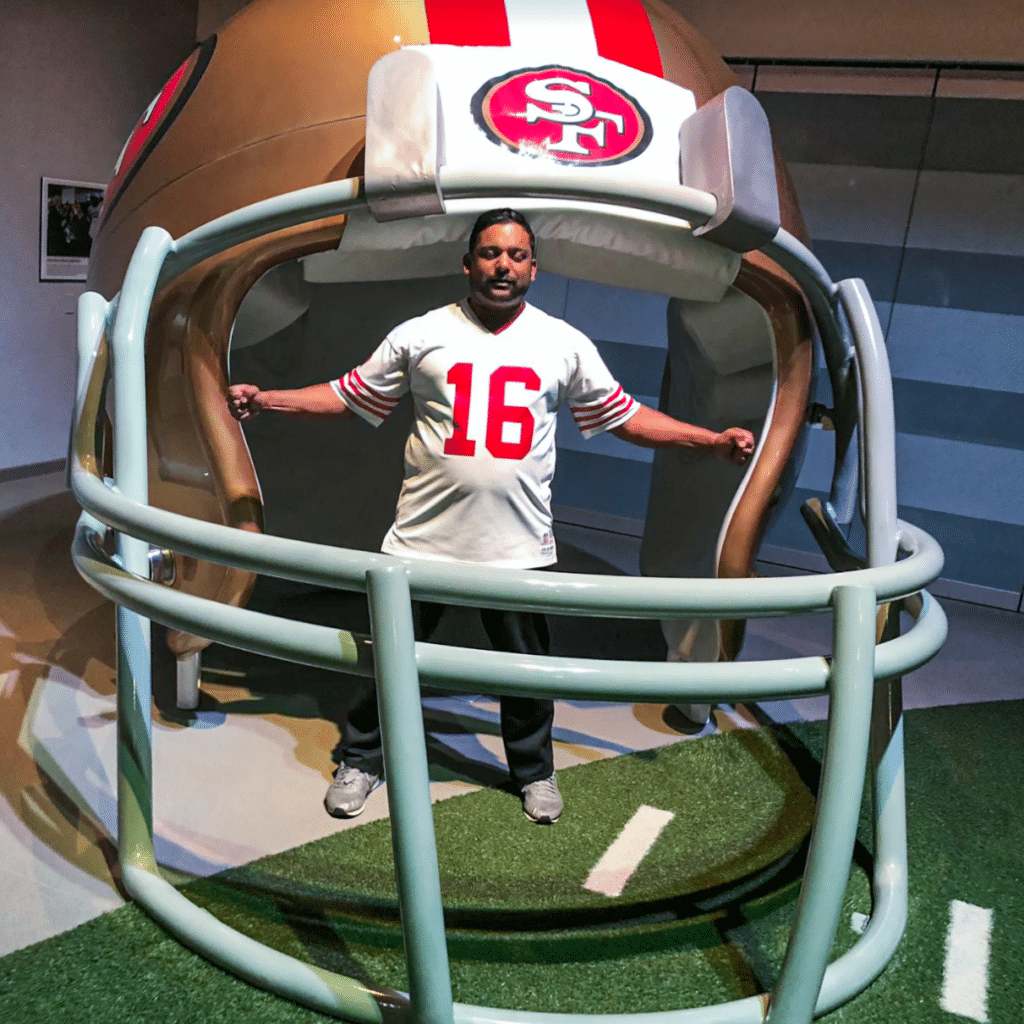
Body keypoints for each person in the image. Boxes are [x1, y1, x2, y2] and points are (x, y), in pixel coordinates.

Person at [228, 208, 755, 824]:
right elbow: (349, 395)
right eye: (490, 253)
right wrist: (270, 399)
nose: (502, 265)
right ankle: (364, 758)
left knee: (525, 672)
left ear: (534, 267)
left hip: (518, 548)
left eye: (515, 255)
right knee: (389, 660)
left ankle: (533, 770)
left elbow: (625, 416)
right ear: (468, 262)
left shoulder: (563, 342)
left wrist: (709, 440)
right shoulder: (421, 332)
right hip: (421, 541)